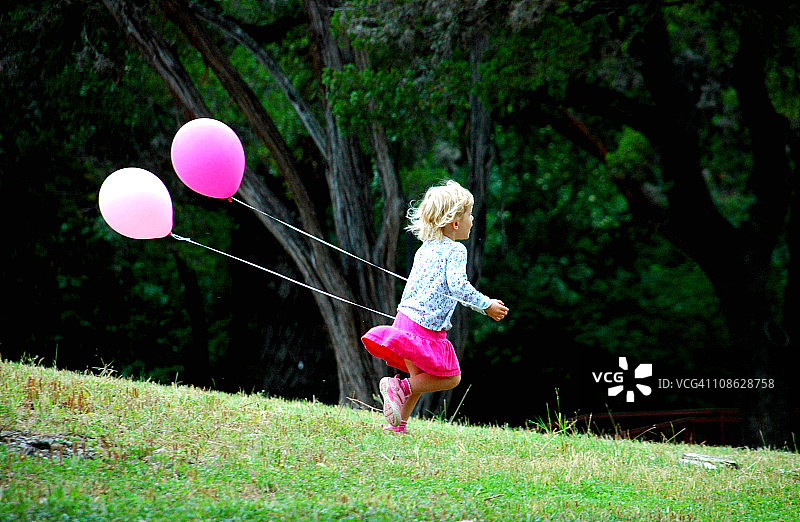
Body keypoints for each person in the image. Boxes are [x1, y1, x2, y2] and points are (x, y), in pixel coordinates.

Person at [361, 180, 509, 434]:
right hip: (425, 326)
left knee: (420, 377)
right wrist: (486, 306)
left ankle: (397, 427)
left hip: (405, 319)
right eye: (469, 214)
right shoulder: (456, 250)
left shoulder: (425, 249)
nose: (472, 220)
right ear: (454, 223)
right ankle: (400, 387)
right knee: (451, 378)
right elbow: (458, 287)